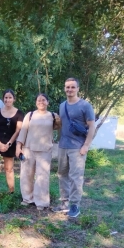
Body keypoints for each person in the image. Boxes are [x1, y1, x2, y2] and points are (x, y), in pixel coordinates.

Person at [52, 78, 96, 218]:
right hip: (63, 145)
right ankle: (64, 203)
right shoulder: (62, 105)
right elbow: (61, 125)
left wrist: (86, 146)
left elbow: (92, 127)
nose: (69, 89)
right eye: (67, 87)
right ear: (64, 89)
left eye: (72, 87)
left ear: (77, 89)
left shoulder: (85, 105)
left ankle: (75, 205)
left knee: (75, 176)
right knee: (62, 174)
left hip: (78, 147)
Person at [16, 93, 61, 210]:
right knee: (26, 174)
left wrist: (58, 120)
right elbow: (23, 131)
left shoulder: (52, 115)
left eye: (44, 100)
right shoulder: (30, 115)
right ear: (36, 102)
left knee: (43, 176)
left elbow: (58, 127)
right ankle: (27, 198)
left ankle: (41, 202)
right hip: (28, 148)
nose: (41, 102)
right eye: (39, 100)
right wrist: (18, 146)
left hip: (45, 150)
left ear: (48, 102)